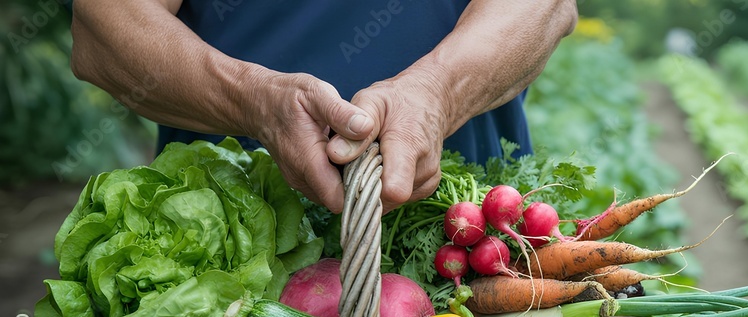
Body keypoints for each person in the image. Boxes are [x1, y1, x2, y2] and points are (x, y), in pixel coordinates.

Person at [69, 1, 578, 213]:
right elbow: (103, 28)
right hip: (234, 236)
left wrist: (437, 93)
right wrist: (254, 102)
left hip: (467, 228)